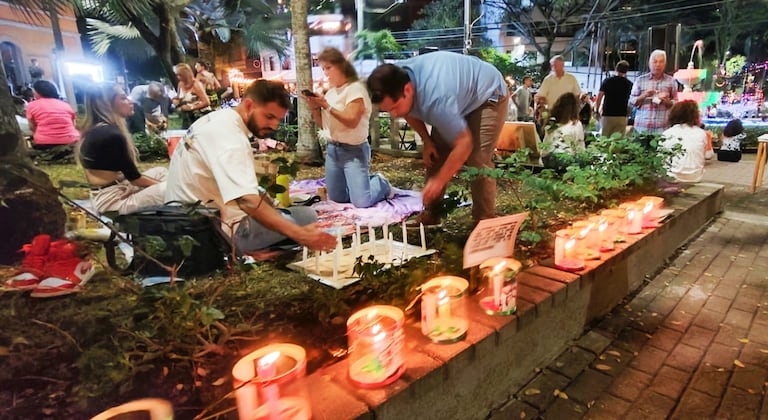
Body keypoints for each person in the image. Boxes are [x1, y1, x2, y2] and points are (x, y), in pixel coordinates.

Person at [165, 79, 337, 253]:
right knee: (307, 216)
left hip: (183, 221)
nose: (274, 125)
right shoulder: (231, 139)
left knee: (284, 213)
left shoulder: (218, 119)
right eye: (269, 117)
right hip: (211, 232)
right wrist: (300, 235)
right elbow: (247, 202)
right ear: (249, 105)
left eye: (278, 119)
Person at [367, 51, 508, 225]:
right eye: (388, 110)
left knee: (478, 158)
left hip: (487, 93)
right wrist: (427, 141)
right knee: (436, 152)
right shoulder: (395, 78)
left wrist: (439, 181)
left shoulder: (437, 99)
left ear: (408, 90)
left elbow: (464, 143)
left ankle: (484, 220)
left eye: (394, 107)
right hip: (457, 93)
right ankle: (431, 214)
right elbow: (407, 110)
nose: (394, 115)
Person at [300, 47, 393, 208]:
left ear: (341, 66)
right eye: (323, 69)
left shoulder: (355, 89)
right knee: (338, 199)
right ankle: (361, 184)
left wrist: (326, 106)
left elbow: (351, 121)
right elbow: (325, 126)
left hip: (354, 151)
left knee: (361, 202)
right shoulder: (331, 93)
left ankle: (381, 182)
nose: (326, 73)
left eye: (328, 68)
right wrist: (315, 108)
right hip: (333, 150)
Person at [78, 83, 167, 215]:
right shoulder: (112, 135)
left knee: (161, 171)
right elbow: (135, 179)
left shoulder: (97, 129)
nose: (130, 101)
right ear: (108, 104)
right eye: (123, 98)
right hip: (113, 202)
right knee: (173, 189)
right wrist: (163, 187)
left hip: (114, 189)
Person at [629, 50, 678, 134]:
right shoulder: (640, 80)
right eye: (655, 62)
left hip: (662, 128)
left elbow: (676, 103)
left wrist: (666, 101)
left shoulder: (671, 81)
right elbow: (631, 102)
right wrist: (645, 95)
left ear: (665, 64)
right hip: (641, 127)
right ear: (649, 63)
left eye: (661, 62)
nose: (658, 65)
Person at [660, 100, 707, 182]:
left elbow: (661, 159)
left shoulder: (666, 133)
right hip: (695, 177)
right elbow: (708, 155)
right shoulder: (701, 133)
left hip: (670, 178)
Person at [25, 80, 80, 149]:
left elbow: (31, 127)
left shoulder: (31, 105)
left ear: (37, 92)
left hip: (45, 143)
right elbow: (73, 124)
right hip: (72, 141)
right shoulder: (65, 105)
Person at [540, 92, 585, 171]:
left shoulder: (552, 122)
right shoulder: (576, 124)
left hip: (548, 159)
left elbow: (545, 145)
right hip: (565, 161)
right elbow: (580, 148)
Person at [594, 60, 633, 138]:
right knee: (618, 140)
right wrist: (628, 113)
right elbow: (631, 101)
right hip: (622, 116)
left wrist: (597, 110)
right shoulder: (629, 84)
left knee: (605, 138)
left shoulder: (607, 81)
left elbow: (599, 97)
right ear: (626, 71)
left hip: (607, 115)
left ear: (616, 69)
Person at [172, 63, 210, 128]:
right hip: (186, 117)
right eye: (177, 75)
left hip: (199, 117)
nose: (178, 77)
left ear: (185, 75)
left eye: (180, 75)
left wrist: (192, 107)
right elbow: (179, 98)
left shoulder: (196, 84)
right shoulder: (180, 84)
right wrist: (175, 100)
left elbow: (207, 102)